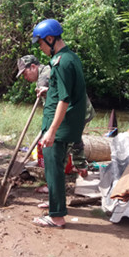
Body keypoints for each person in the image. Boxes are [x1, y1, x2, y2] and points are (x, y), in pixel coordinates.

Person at [30, 19, 87, 228]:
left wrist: (52, 131)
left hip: (60, 125)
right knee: (57, 167)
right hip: (66, 123)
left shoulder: (61, 62)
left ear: (51, 39)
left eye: (41, 44)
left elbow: (65, 99)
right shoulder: (70, 58)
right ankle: (56, 204)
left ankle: (56, 217)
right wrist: (49, 90)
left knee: (53, 167)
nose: (41, 48)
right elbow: (65, 90)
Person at [16, 55, 96, 173]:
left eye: (25, 73)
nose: (25, 77)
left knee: (60, 146)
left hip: (73, 111)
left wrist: (50, 130)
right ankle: (81, 166)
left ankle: (53, 183)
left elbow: (52, 110)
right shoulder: (50, 69)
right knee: (74, 137)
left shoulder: (43, 80)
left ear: (33, 67)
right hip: (83, 109)